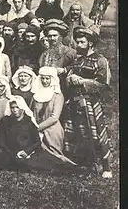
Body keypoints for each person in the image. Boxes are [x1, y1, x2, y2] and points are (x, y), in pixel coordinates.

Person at [62, 26, 114, 178]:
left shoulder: (100, 60)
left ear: (90, 43)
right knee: (78, 133)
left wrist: (82, 81)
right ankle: (84, 165)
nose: (78, 45)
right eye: (77, 42)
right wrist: (69, 78)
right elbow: (70, 73)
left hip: (90, 102)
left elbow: (104, 84)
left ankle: (105, 167)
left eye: (82, 42)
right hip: (75, 101)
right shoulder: (78, 59)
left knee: (95, 133)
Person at [30, 67, 77, 167]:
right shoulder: (35, 94)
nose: (45, 81)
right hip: (35, 127)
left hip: (51, 129)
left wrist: (37, 128)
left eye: (47, 78)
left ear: (52, 79)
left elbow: (54, 117)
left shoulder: (58, 95)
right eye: (42, 78)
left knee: (53, 158)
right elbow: (31, 113)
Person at [0, 95, 42, 170]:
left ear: (22, 108)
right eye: (12, 107)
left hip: (25, 153)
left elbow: (37, 142)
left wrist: (26, 151)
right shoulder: (5, 121)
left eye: (17, 107)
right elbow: (1, 140)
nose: (15, 110)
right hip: (9, 153)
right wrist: (13, 154)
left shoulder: (29, 122)